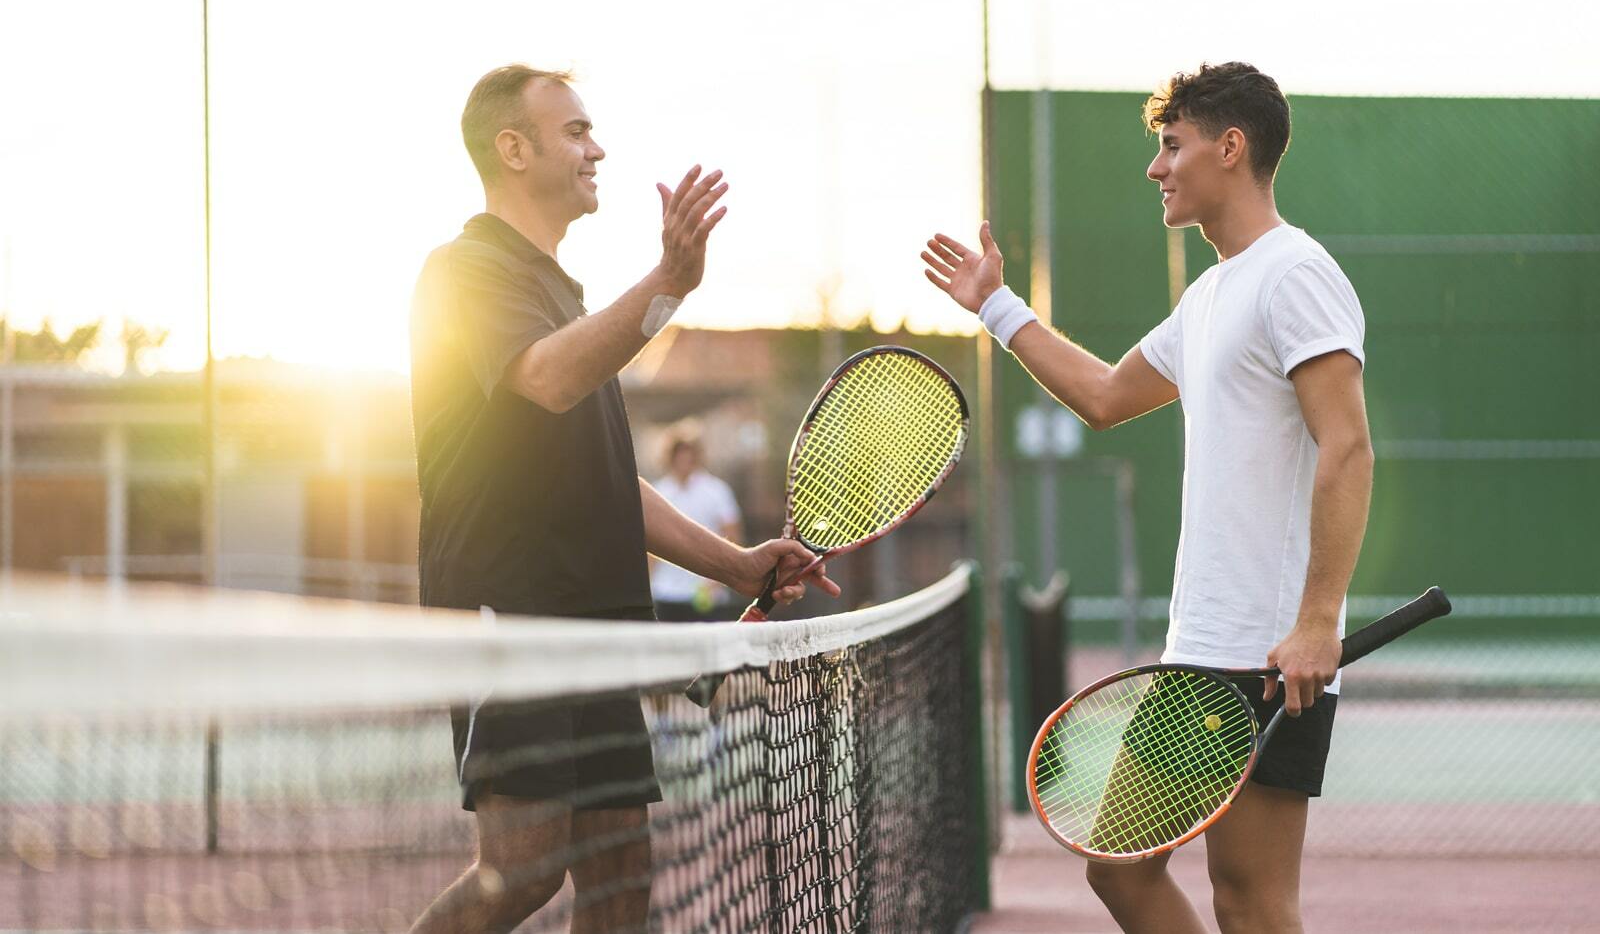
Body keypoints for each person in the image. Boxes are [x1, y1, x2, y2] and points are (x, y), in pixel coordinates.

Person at [922, 62, 1371, 934]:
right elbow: (1102, 394)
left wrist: (1318, 621)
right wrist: (995, 304)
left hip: (1264, 656)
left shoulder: (1296, 275)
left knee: (1251, 899)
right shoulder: (1208, 296)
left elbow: (1348, 447)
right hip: (1196, 648)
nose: (1155, 169)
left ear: (1230, 148)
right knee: (1118, 869)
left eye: (1173, 147)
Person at [408, 64, 838, 934]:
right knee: (520, 873)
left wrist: (740, 562)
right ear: (513, 148)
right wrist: (670, 282)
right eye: (574, 131)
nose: (596, 147)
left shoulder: (562, 293)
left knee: (619, 876)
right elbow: (550, 379)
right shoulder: (464, 271)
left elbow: (610, 479)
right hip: (513, 616)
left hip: (599, 625)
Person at [649, 428, 745, 622]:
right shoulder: (658, 491)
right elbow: (650, 546)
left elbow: (734, 538)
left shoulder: (717, 491)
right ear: (670, 458)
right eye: (679, 456)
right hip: (665, 595)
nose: (684, 462)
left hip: (708, 599)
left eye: (689, 457)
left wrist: (715, 583)